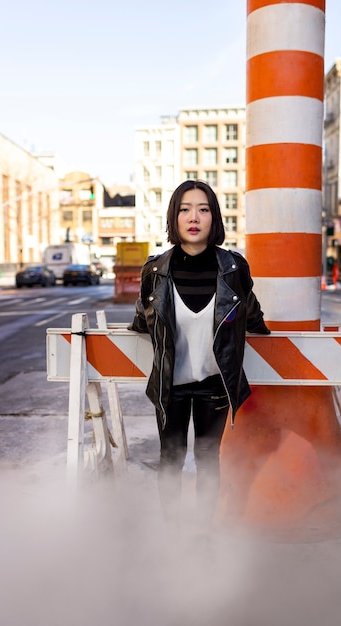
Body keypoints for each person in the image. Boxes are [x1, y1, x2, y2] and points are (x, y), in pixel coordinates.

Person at [129, 179, 270, 532]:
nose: (194, 217)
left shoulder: (234, 268)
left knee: (208, 460)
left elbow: (251, 313)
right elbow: (142, 321)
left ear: (214, 218)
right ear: (174, 217)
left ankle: (204, 533)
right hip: (170, 385)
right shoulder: (155, 270)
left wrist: (263, 332)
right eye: (185, 209)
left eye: (203, 209)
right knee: (171, 459)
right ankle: (174, 532)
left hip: (214, 384)